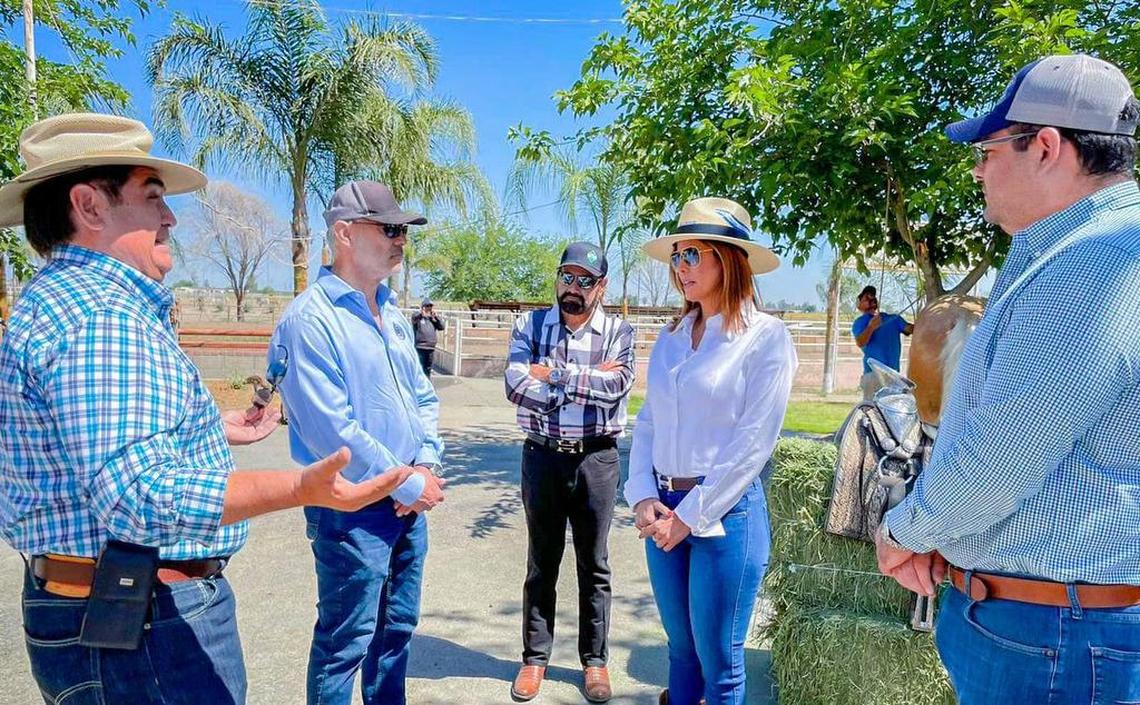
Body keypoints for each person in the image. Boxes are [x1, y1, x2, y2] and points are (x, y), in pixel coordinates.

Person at [0, 113, 410, 703]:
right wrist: (300, 488)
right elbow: (137, 496)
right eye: (152, 197)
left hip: (116, 612)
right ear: (89, 206)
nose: (170, 217)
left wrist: (206, 427)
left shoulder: (71, 302)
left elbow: (87, 446)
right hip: (141, 626)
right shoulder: (102, 318)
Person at [874, 54, 1140, 704]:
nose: (978, 167)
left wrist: (903, 530)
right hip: (1051, 624)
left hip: (1051, 636)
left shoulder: (1095, 263)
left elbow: (1001, 460)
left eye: (990, 149)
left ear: (1046, 147)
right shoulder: (1086, 249)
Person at [270, 180, 446, 705]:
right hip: (351, 510)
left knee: (396, 633)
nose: (400, 241)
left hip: (406, 502)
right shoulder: (309, 320)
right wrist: (407, 480)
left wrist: (427, 462)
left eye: (404, 232)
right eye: (389, 228)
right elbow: (335, 432)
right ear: (345, 233)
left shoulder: (391, 312)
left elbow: (423, 399)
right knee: (345, 643)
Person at [624, 197, 797, 705]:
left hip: (726, 516)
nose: (681, 267)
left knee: (720, 662)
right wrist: (640, 496)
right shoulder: (672, 336)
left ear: (730, 259)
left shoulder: (765, 338)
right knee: (681, 653)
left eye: (693, 254)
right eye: (677, 256)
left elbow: (753, 442)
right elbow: (650, 419)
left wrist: (690, 516)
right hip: (662, 507)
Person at [503, 241, 635, 703]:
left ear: (601, 286)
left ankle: (594, 662)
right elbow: (516, 387)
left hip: (598, 459)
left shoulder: (619, 331)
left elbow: (616, 386)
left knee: (593, 565)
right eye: (566, 277)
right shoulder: (530, 324)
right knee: (542, 561)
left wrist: (553, 376)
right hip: (542, 456)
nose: (571, 289)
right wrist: (585, 379)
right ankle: (534, 658)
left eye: (584, 281)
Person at [851, 285, 913, 399]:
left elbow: (910, 329)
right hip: (873, 374)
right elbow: (860, 342)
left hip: (893, 375)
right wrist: (871, 327)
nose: (870, 300)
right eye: (866, 298)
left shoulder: (893, 319)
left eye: (872, 297)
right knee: (873, 412)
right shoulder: (860, 322)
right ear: (860, 304)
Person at [411, 298, 445, 377]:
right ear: (423, 307)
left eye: (430, 306)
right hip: (420, 347)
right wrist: (421, 314)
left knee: (428, 368)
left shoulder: (433, 319)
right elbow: (414, 319)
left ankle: (427, 384)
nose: (429, 308)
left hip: (430, 348)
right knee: (420, 368)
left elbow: (442, 327)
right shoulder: (418, 317)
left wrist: (436, 317)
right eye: (427, 306)